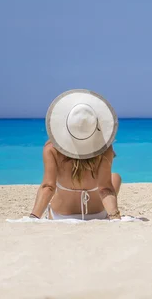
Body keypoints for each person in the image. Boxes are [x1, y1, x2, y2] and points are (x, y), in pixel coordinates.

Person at [29, 89, 122, 220]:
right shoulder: (105, 149)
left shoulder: (51, 148)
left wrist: (33, 217)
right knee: (115, 177)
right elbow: (105, 189)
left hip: (61, 216)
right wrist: (114, 217)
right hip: (97, 214)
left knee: (52, 186)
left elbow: (48, 187)